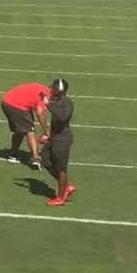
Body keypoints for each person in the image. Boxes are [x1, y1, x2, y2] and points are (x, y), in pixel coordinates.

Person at [42, 78, 76, 207]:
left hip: (62, 140)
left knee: (61, 168)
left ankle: (61, 198)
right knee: (46, 160)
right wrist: (48, 134)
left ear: (59, 91)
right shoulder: (57, 101)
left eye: (53, 88)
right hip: (54, 138)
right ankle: (67, 187)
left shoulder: (67, 103)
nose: (50, 90)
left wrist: (48, 104)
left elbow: (62, 117)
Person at [0, 81, 50, 167]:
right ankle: (35, 159)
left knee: (20, 129)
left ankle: (13, 154)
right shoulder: (45, 96)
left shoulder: (44, 89)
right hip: (15, 105)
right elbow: (39, 113)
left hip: (8, 101)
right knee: (30, 130)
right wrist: (47, 131)